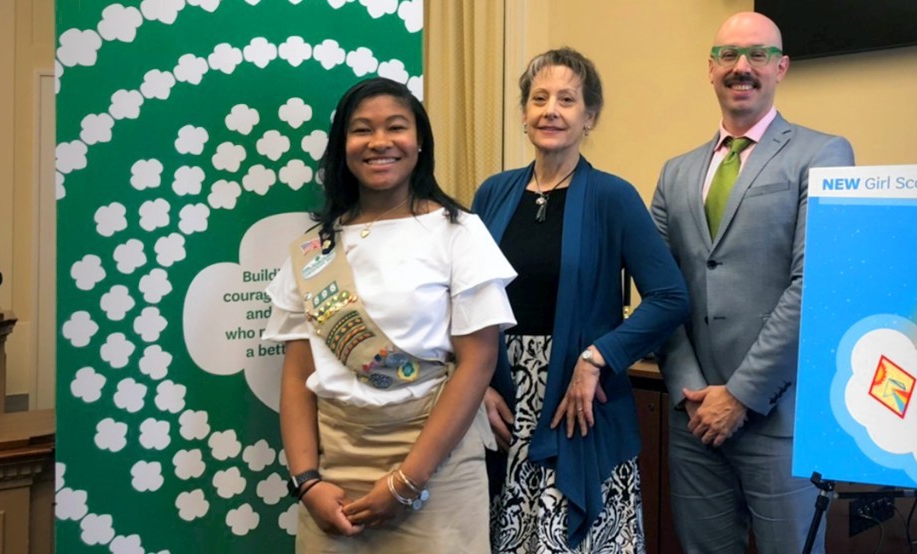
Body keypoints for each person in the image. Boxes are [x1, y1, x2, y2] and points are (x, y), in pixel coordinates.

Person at [262, 77, 516, 553]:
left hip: (435, 469)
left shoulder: (458, 233)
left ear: (419, 142)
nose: (379, 142)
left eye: (396, 127)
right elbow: (297, 377)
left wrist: (407, 481)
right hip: (334, 477)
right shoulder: (316, 250)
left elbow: (477, 363)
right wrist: (307, 482)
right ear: (343, 148)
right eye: (362, 130)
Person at [650, 12, 855, 554]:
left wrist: (740, 396)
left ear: (781, 67)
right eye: (728, 55)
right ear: (710, 68)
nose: (741, 67)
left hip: (778, 418)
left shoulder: (824, 154)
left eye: (758, 54)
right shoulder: (675, 173)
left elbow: (813, 285)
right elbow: (659, 291)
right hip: (694, 420)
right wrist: (690, 391)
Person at [473, 47, 690, 553]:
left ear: (589, 117)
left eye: (567, 100)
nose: (550, 110)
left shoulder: (613, 197)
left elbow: (670, 296)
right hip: (503, 402)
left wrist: (597, 358)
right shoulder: (492, 194)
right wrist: (476, 384)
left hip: (577, 403)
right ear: (524, 113)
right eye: (539, 98)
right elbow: (467, 300)